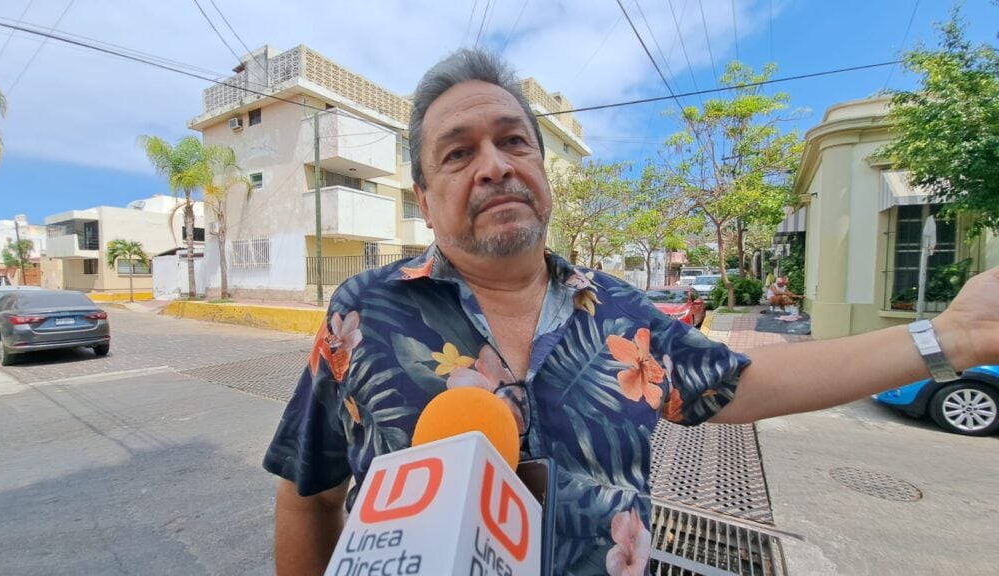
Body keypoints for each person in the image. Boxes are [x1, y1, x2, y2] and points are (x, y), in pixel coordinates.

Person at [262, 49, 999, 576]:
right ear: (423, 199)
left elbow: (751, 381)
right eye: (457, 154)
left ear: (542, 172)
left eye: (513, 141)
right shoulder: (363, 312)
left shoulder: (619, 310)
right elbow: (310, 497)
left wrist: (953, 336)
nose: (494, 164)